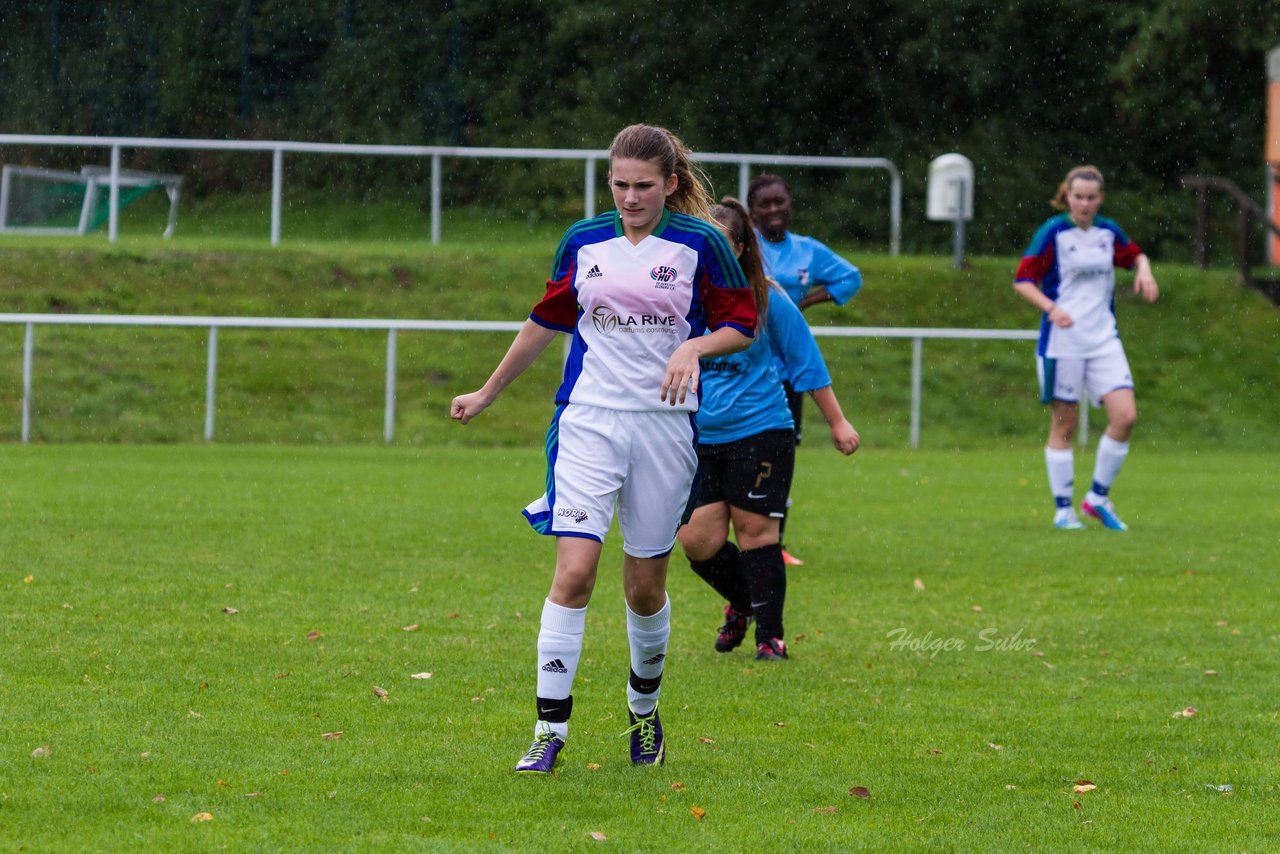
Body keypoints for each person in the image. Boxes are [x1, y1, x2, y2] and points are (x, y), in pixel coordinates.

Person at [450, 124, 757, 776]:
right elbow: (547, 320)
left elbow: (742, 324)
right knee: (574, 573)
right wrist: (488, 390)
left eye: (644, 186)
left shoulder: (701, 243)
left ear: (671, 184)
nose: (630, 197)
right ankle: (547, 729)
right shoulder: (584, 241)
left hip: (665, 429)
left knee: (644, 590)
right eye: (619, 184)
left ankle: (642, 711)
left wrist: (693, 346)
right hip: (588, 420)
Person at [678, 198, 859, 662]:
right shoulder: (679, 298)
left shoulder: (767, 298)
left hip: (761, 430)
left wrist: (837, 422)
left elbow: (806, 362)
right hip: (696, 436)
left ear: (740, 248)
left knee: (757, 532)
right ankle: (744, 604)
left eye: (722, 245)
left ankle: (770, 638)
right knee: (697, 540)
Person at [1012, 165, 1159, 531]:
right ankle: (1063, 510)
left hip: (1104, 339)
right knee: (1065, 423)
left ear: (1100, 199)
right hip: (1063, 342)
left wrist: (1144, 269)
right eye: (1078, 196)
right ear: (1068, 196)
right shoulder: (1053, 232)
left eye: (1092, 197)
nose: (1085, 203)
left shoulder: (1108, 232)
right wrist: (1052, 308)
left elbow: (1134, 254)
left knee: (1125, 417)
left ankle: (1096, 497)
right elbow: (1022, 280)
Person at [747, 173, 863, 565]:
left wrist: (805, 303)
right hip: (746, 369)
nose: (775, 209)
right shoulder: (747, 249)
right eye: (766, 204)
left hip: (787, 374)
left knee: (780, 456)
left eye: (780, 201)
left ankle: (773, 543)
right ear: (753, 211)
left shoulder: (807, 251)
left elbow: (851, 277)